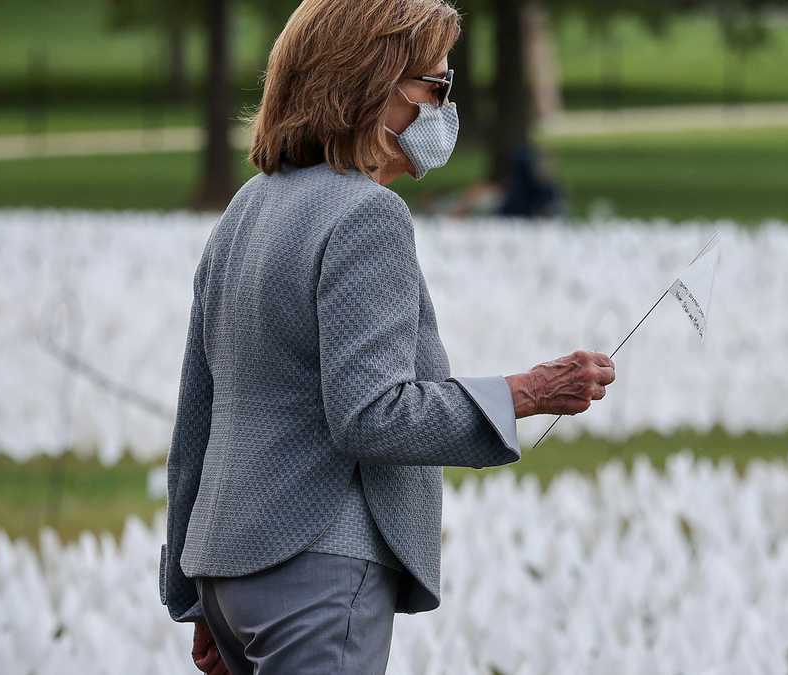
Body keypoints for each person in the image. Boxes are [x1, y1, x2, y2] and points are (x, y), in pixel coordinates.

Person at [156, 1, 616, 673]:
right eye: (436, 87)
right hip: (317, 569)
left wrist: (196, 593)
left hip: (232, 574)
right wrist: (528, 392)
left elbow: (194, 424)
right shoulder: (366, 216)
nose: (444, 110)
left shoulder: (245, 211)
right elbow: (370, 414)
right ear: (374, 82)